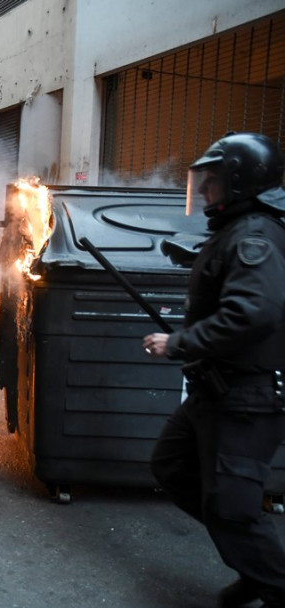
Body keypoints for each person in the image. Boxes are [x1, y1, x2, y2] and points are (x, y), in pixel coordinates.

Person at [143, 132, 285, 608]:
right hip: (215, 392)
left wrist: (179, 343)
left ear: (241, 182)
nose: (204, 190)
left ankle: (271, 580)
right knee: (174, 466)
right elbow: (227, 274)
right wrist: (192, 259)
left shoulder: (256, 237)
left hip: (247, 398)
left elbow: (252, 313)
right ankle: (253, 563)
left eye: (214, 181)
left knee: (234, 509)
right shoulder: (236, 230)